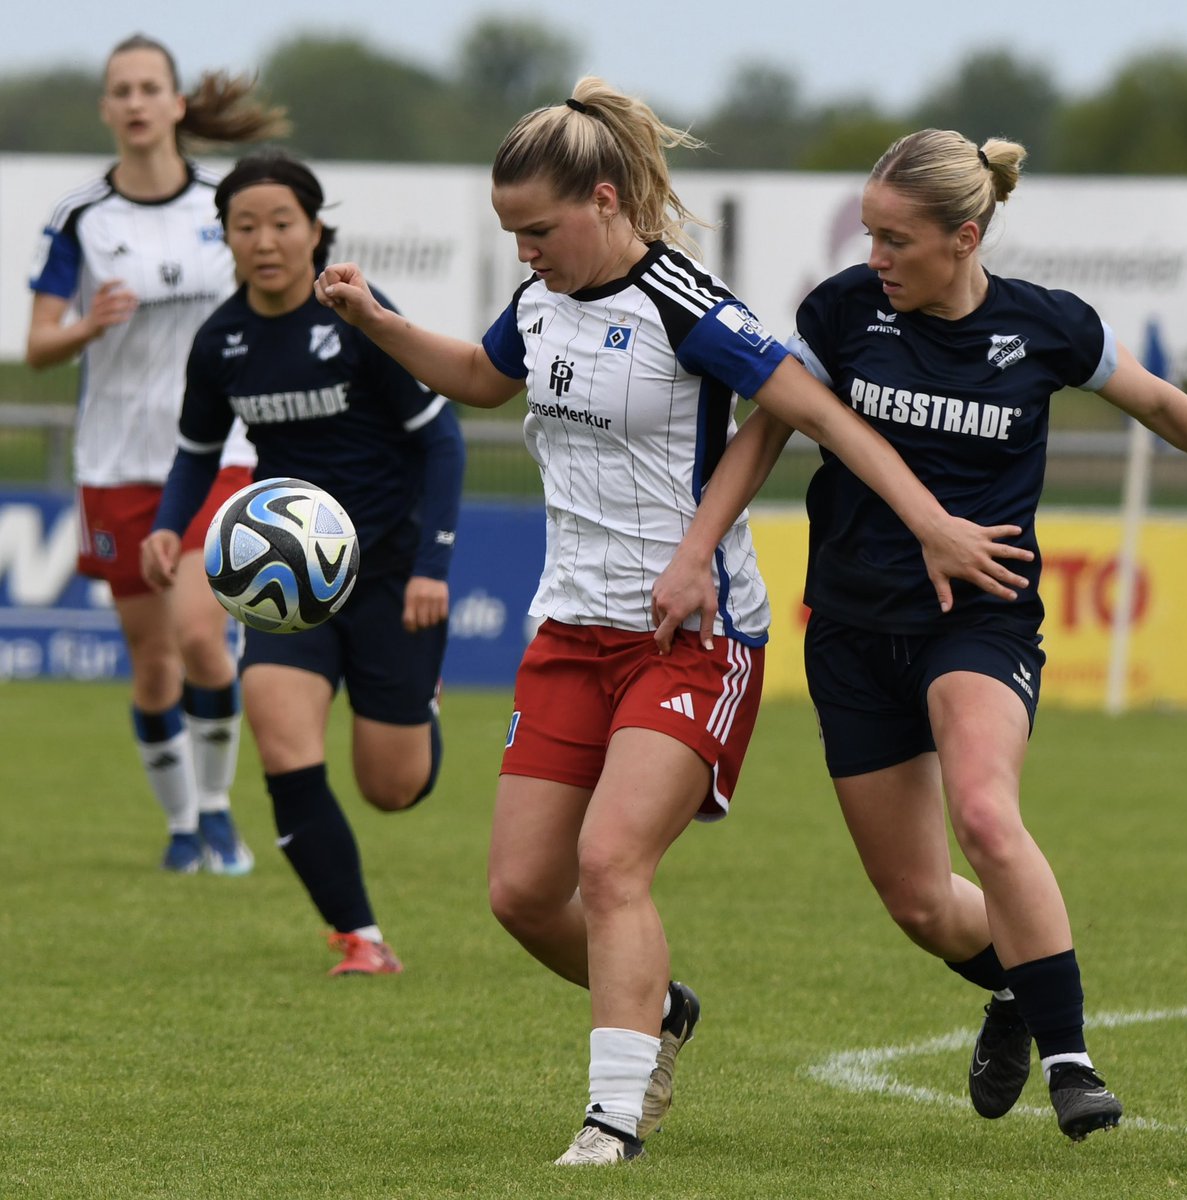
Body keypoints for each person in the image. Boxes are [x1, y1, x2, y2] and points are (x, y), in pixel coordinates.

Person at [313, 81, 1030, 1164]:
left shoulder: (686, 302)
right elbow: (480, 378)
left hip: (693, 638)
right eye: (510, 234)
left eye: (539, 231)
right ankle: (658, 1011)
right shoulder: (545, 302)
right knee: (519, 895)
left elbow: (816, 414)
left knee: (611, 863)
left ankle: (612, 1119)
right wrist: (376, 320)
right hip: (569, 631)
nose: (525, 254)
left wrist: (925, 520)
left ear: (605, 201)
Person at [653, 128, 1187, 1142]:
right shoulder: (844, 314)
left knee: (987, 818)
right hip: (855, 631)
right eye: (868, 235)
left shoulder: (1049, 327)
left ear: (965, 235)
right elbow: (762, 434)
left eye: (896, 240)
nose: (875, 259)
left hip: (981, 620)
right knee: (917, 903)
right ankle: (1012, 991)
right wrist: (695, 552)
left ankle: (1073, 1066)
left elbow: (1166, 406)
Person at [141, 151, 465, 977]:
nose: (266, 240)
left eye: (283, 222)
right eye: (244, 226)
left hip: (393, 569)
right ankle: (360, 937)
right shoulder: (220, 342)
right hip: (289, 580)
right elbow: (193, 451)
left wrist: (433, 562)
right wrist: (169, 528)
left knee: (392, 787)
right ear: (226, 238)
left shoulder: (358, 316)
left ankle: (418, 702)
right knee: (281, 741)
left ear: (317, 230)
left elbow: (442, 438)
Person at [26, 34, 290, 874]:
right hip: (115, 464)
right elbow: (36, 346)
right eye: (121, 90)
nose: (136, 103)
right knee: (150, 661)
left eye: (150, 88)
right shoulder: (80, 220)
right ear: (107, 109)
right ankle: (182, 828)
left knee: (200, 635)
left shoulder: (227, 205)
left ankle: (218, 813)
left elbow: (275, 294)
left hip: (220, 454)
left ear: (177, 105)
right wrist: (85, 325)